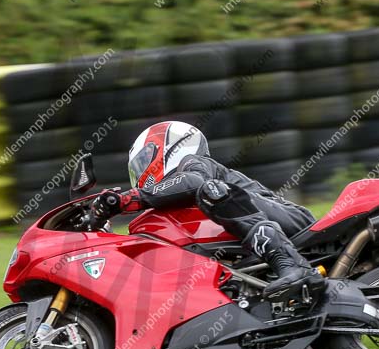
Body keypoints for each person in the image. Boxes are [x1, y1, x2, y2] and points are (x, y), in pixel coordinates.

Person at [90, 121, 325, 301]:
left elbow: (192, 182)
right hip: (268, 225)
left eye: (143, 162)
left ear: (169, 148)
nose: (141, 174)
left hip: (295, 221)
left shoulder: (194, 164)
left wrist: (130, 199)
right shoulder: (179, 197)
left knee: (210, 190)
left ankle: (293, 266)